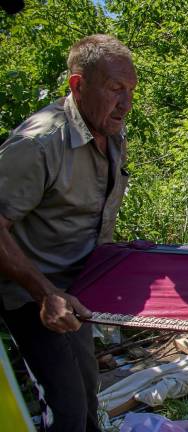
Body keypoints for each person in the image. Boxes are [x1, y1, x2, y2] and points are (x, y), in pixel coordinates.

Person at [0, 34, 137, 431]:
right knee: (67, 407)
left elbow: (87, 213)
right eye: (115, 89)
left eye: (131, 90)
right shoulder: (40, 143)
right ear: (78, 85)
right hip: (31, 292)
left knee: (86, 392)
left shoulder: (111, 134)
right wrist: (45, 293)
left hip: (80, 287)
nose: (126, 103)